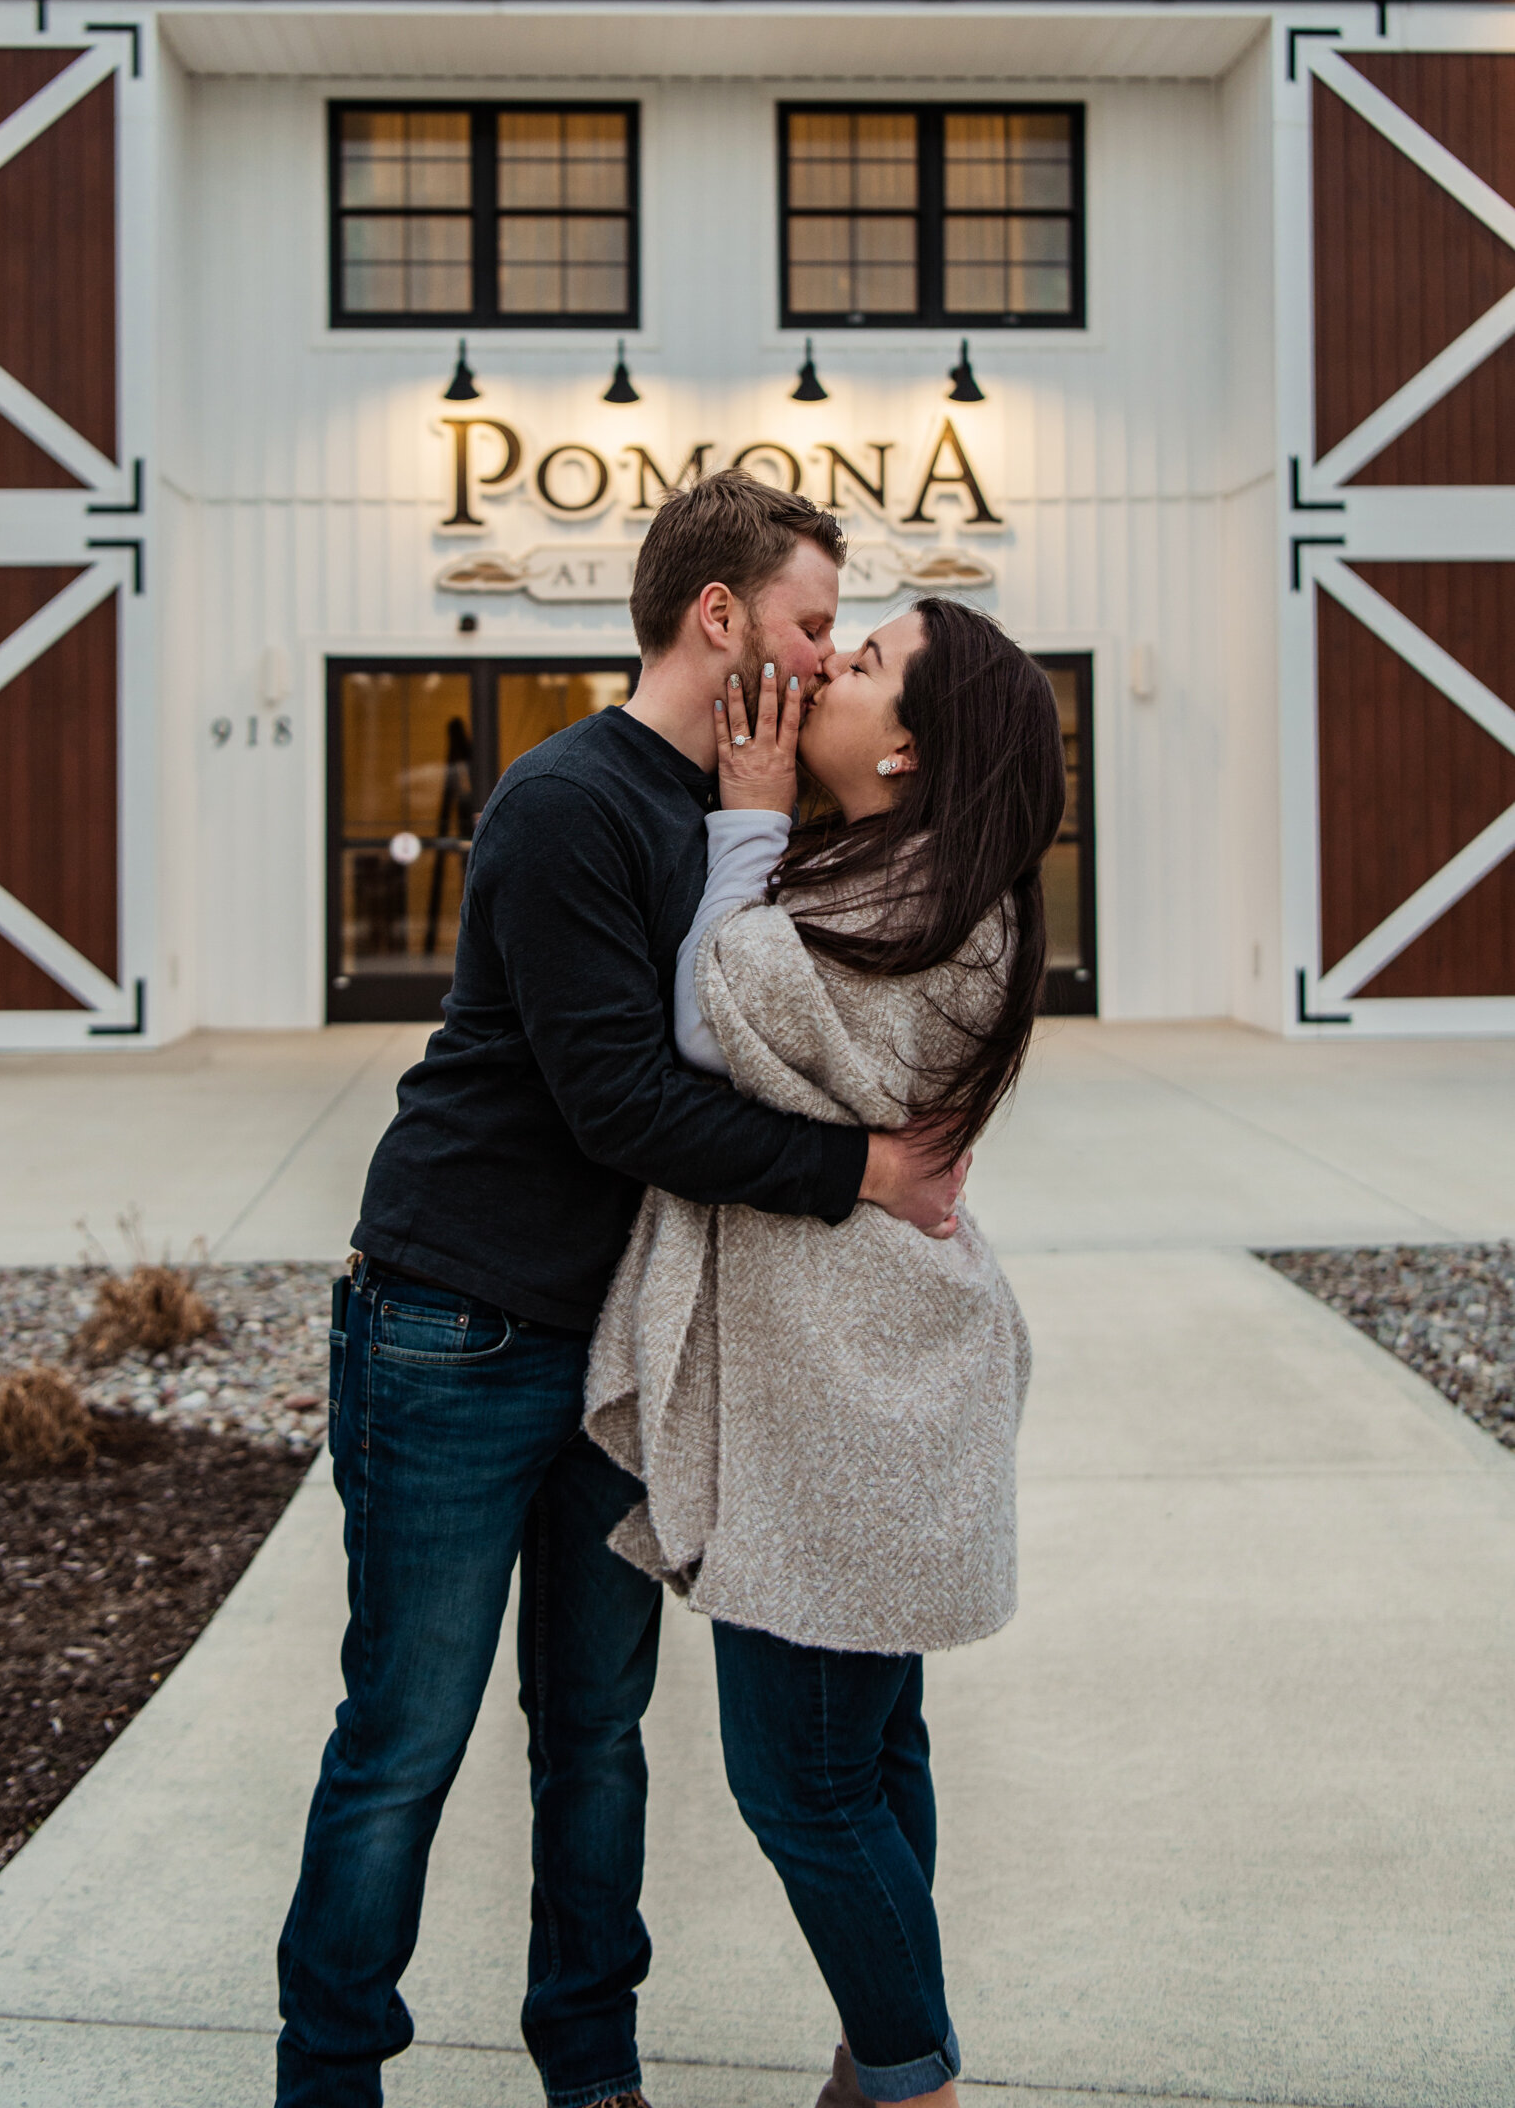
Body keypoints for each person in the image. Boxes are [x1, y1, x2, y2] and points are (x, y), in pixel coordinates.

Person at [275, 474, 971, 2108]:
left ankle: (591, 2070)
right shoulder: (564, 800)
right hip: (451, 1321)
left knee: (593, 1738)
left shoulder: (755, 809)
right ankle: (330, 2083)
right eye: (813, 623)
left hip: (613, 1350)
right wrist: (868, 1175)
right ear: (718, 618)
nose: (822, 657)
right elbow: (622, 1103)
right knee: (402, 1747)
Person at [586, 598, 1066, 2108]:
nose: (822, 668)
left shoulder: (913, 903)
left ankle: (909, 2078)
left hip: (839, 1390)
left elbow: (710, 1018)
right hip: (868, 1370)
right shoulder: (905, 876)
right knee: (866, 1752)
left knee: (798, 1779)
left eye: (859, 666)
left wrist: (741, 822)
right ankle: (882, 2055)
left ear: (909, 746)